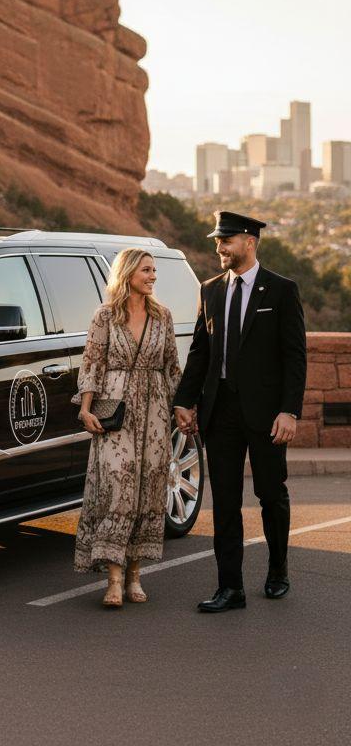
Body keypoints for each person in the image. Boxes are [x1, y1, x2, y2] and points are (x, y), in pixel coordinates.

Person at [173, 210, 306, 613]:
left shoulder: (281, 290)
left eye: (226, 240)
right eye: (217, 240)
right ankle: (230, 588)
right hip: (220, 412)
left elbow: (294, 355)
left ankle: (278, 571)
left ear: (250, 242)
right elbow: (200, 351)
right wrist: (184, 399)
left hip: (267, 415)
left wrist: (289, 411)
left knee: (271, 495)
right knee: (226, 502)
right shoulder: (210, 289)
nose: (219, 247)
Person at [74, 247, 182, 607]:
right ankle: (114, 580)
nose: (152, 276)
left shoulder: (162, 316)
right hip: (115, 412)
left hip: (154, 414)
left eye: (154, 271)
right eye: (146, 270)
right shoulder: (105, 316)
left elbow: (171, 366)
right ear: (128, 273)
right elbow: (92, 363)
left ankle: (135, 575)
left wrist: (182, 408)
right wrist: (85, 409)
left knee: (148, 488)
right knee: (117, 487)